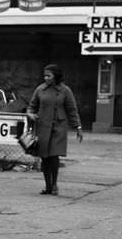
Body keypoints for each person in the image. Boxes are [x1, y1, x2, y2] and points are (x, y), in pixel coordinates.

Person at [26, 64, 83, 195]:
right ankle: (48, 186)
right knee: (44, 157)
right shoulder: (40, 89)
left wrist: (78, 127)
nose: (46, 78)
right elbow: (31, 106)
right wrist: (30, 114)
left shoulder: (65, 90)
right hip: (42, 127)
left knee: (54, 156)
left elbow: (72, 109)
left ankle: (55, 183)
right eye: (44, 75)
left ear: (56, 76)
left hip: (58, 127)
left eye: (49, 75)